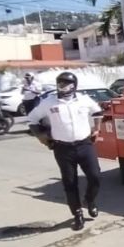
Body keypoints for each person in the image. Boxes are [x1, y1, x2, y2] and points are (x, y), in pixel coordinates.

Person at [27, 72, 103, 231]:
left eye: (65, 84)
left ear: (73, 86)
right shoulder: (49, 102)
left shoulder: (83, 99)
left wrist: (97, 129)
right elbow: (33, 119)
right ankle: (77, 214)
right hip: (63, 148)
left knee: (95, 176)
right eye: (59, 83)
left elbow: (97, 112)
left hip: (84, 145)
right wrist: (41, 136)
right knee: (70, 183)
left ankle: (90, 200)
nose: (61, 87)